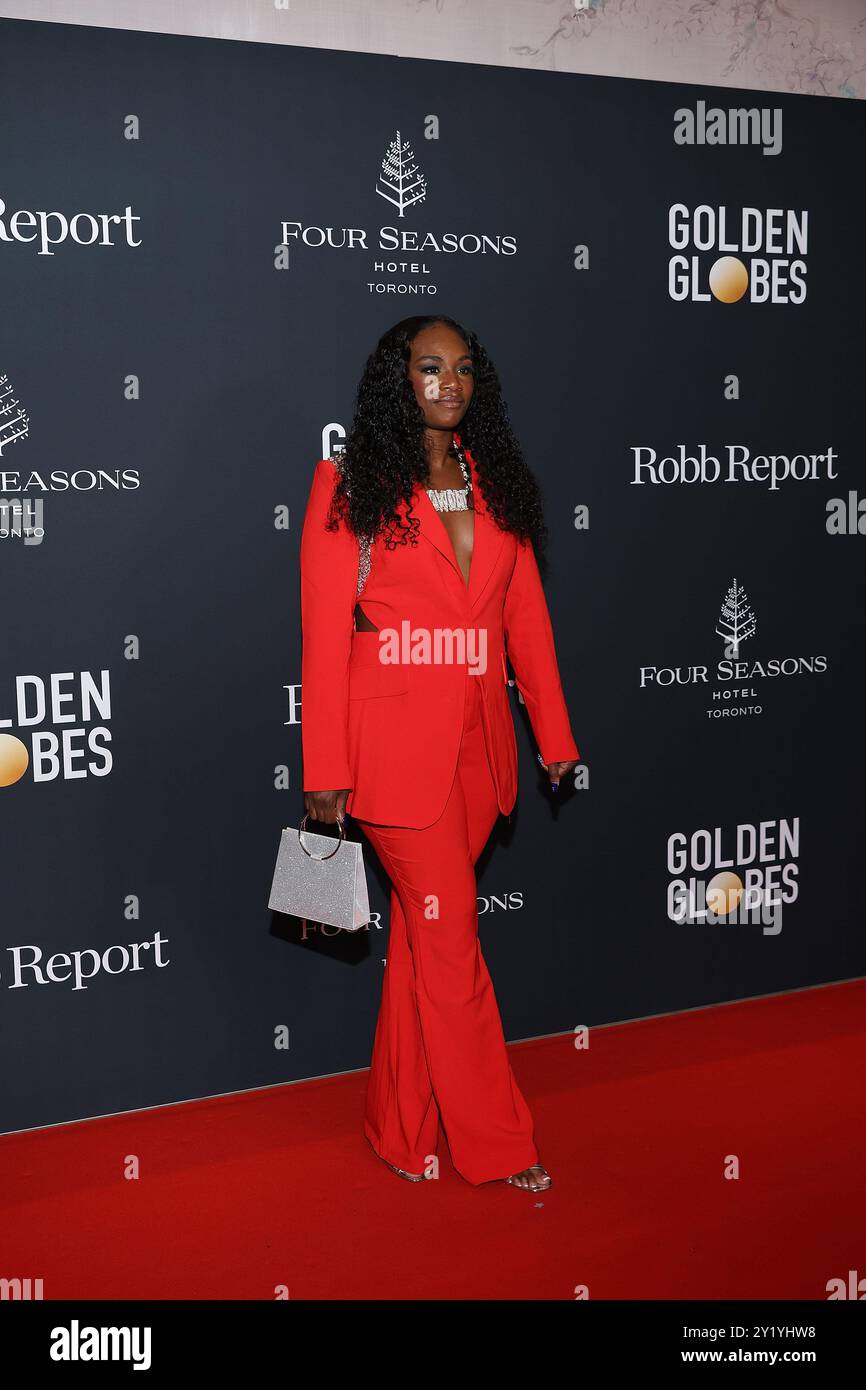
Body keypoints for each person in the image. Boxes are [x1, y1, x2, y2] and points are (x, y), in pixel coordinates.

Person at [299, 314, 579, 1192]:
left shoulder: (490, 482)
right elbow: (322, 636)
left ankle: (398, 1125)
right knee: (452, 940)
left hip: (477, 752)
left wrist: (555, 736)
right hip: (391, 756)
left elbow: (522, 616)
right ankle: (500, 1144)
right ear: (398, 378)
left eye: (463, 368)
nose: (448, 382)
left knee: (426, 945)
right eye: (429, 366)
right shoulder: (349, 482)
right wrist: (324, 774)